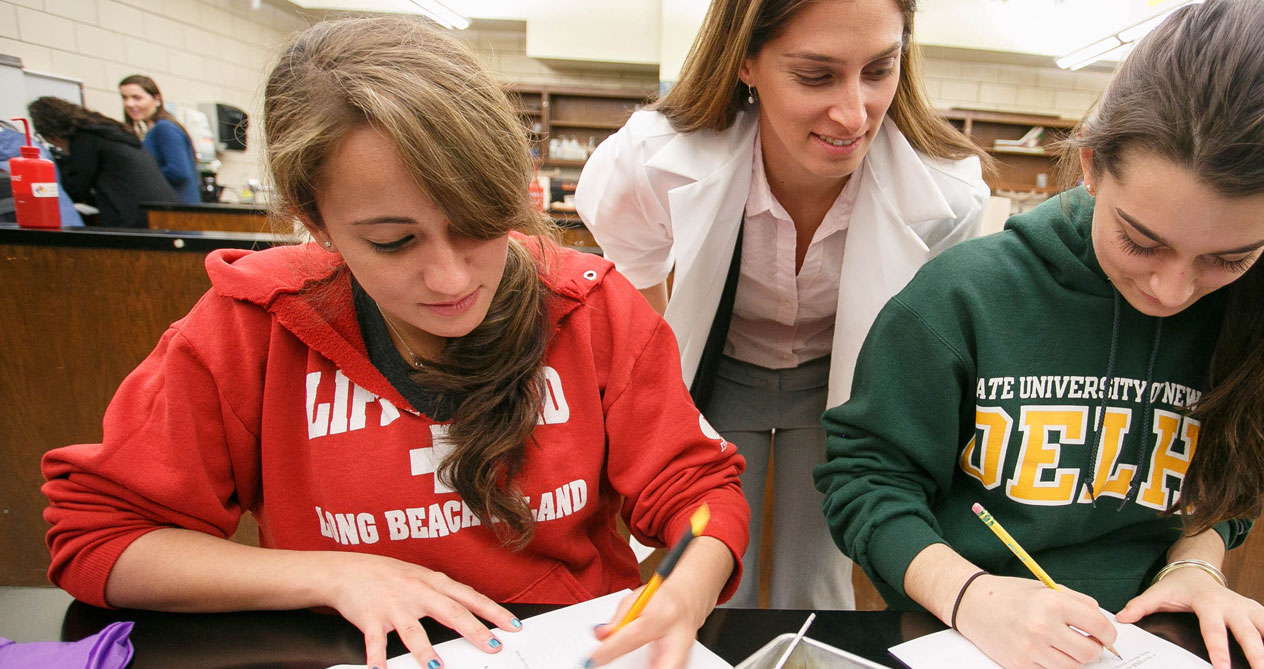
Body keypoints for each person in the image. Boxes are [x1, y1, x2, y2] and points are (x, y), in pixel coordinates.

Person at [40, 17, 748, 669]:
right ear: (314, 220)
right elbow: (98, 539)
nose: (449, 278)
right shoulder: (251, 327)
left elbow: (703, 493)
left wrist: (687, 584)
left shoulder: (589, 308)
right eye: (392, 241)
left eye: (481, 223)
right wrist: (333, 572)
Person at [815, 1, 1264, 668]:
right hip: (966, 639)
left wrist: (1198, 568)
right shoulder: (960, 299)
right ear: (1090, 164)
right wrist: (971, 594)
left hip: (1146, 646)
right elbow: (865, 481)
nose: (1171, 291)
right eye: (1142, 241)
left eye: (1228, 258)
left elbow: (1234, 488)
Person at [575, 0, 991, 611]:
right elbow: (640, 303)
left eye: (879, 70)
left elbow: (917, 345)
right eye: (815, 75)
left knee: (818, 576)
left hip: (839, 382)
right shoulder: (649, 161)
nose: (854, 114)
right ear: (746, 60)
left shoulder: (947, 193)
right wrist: (660, 419)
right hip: (721, 373)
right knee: (711, 568)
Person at [27, 96, 178, 228]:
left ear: (50, 131)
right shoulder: (106, 130)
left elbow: (77, 187)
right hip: (159, 211)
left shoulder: (85, 139)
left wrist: (59, 162)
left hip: (131, 216)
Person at [120, 74, 202, 204]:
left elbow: (179, 173)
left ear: (156, 100)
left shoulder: (164, 128)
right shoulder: (154, 130)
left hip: (177, 211)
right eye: (125, 98)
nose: (129, 104)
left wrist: (138, 174)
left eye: (137, 98)